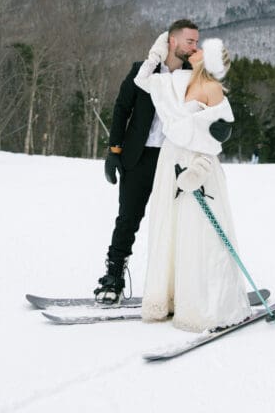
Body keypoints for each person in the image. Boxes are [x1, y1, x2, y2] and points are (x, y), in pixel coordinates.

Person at [134, 36, 251, 332]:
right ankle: (168, 297)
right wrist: (156, 53)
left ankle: (201, 304)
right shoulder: (179, 80)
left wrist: (198, 170)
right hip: (170, 160)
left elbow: (216, 136)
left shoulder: (213, 90)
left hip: (196, 166)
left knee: (196, 234)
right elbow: (144, 81)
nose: (195, 50)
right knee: (170, 229)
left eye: (202, 50)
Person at [94, 19, 200, 305]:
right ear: (173, 42)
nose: (195, 47)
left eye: (196, 42)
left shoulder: (194, 77)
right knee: (128, 219)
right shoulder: (143, 71)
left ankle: (178, 285)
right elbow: (122, 109)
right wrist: (113, 151)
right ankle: (113, 277)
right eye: (190, 41)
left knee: (177, 223)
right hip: (138, 156)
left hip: (174, 159)